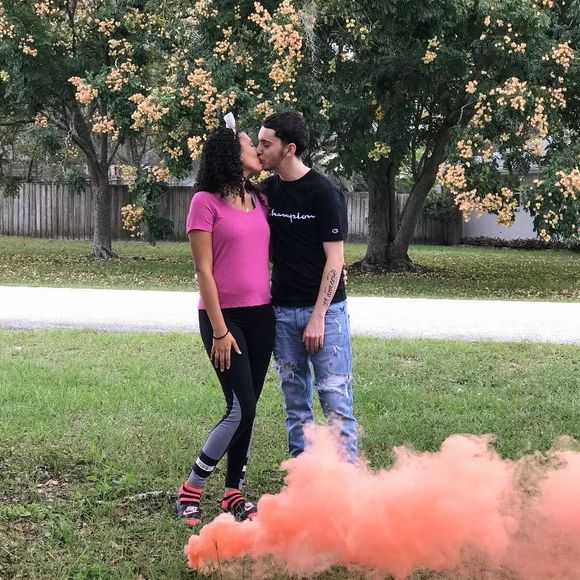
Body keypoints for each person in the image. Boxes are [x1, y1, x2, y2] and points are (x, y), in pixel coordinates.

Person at [176, 127, 274, 525]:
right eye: (250, 144)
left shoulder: (261, 199)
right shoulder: (204, 202)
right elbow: (203, 271)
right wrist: (220, 330)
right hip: (223, 318)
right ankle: (191, 488)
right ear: (232, 154)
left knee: (249, 410)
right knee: (239, 407)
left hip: (262, 315)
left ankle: (234, 491)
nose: (257, 150)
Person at [256, 111, 358, 463]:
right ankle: (304, 485)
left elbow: (335, 260)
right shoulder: (267, 192)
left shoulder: (323, 192)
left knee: (335, 400)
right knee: (295, 405)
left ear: (289, 149)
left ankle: (347, 486)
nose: (259, 150)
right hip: (282, 312)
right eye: (258, 143)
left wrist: (317, 317)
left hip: (326, 314)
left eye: (266, 144)